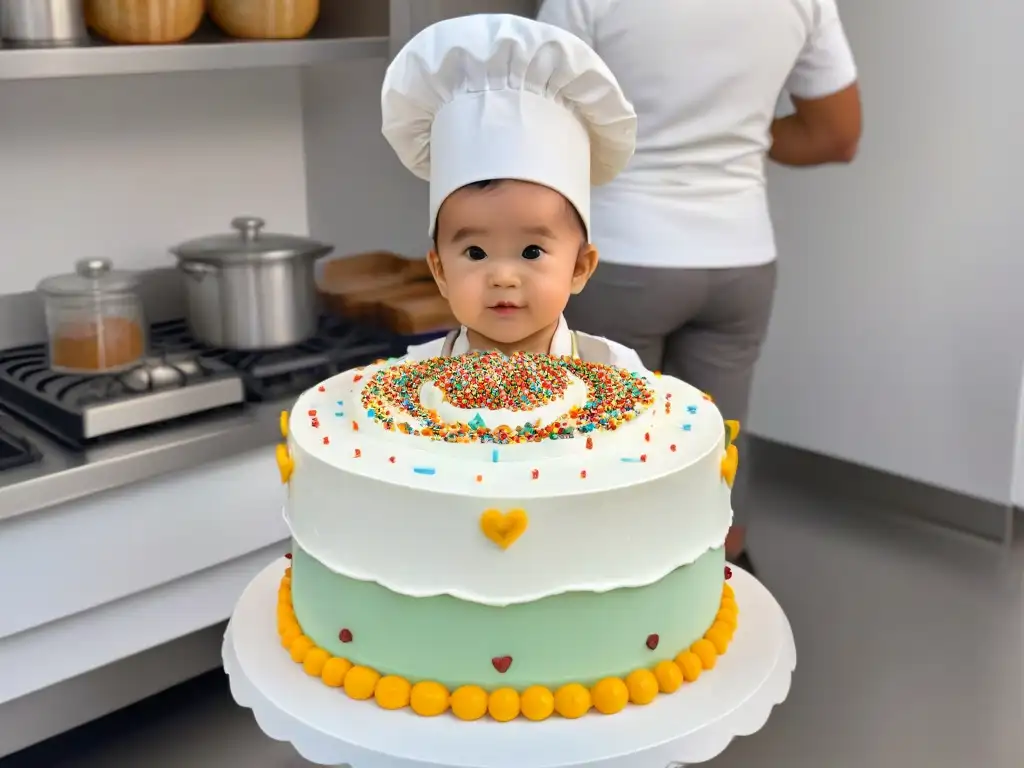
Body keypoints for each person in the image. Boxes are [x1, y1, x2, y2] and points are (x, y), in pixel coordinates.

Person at [537, 0, 863, 573]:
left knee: (604, 450)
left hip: (623, 254)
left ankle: (604, 598)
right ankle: (720, 582)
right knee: (716, 441)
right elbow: (837, 134)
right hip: (740, 259)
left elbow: (535, 128)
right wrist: (737, 139)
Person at [380, 13, 644, 369]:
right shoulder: (408, 379)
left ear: (580, 267)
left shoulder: (616, 371)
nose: (503, 277)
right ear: (440, 271)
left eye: (531, 251)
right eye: (475, 252)